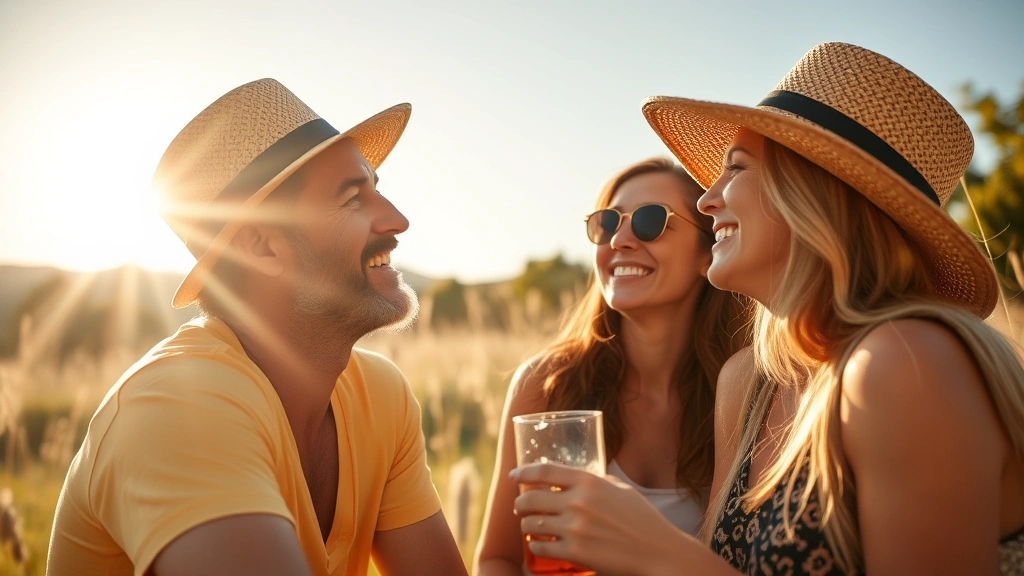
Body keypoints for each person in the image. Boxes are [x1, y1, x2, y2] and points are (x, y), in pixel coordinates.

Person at [511, 42, 1024, 575]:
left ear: (813, 192)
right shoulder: (748, 383)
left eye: (735, 168)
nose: (708, 201)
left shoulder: (904, 363)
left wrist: (660, 554)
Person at [46, 79, 467, 576]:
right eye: (354, 198)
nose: (397, 220)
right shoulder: (178, 404)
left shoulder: (381, 394)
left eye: (377, 187)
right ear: (262, 247)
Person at [475, 158, 750, 575]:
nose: (620, 239)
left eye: (649, 222)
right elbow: (497, 559)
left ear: (705, 251)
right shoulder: (546, 384)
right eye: (607, 223)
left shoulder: (745, 391)